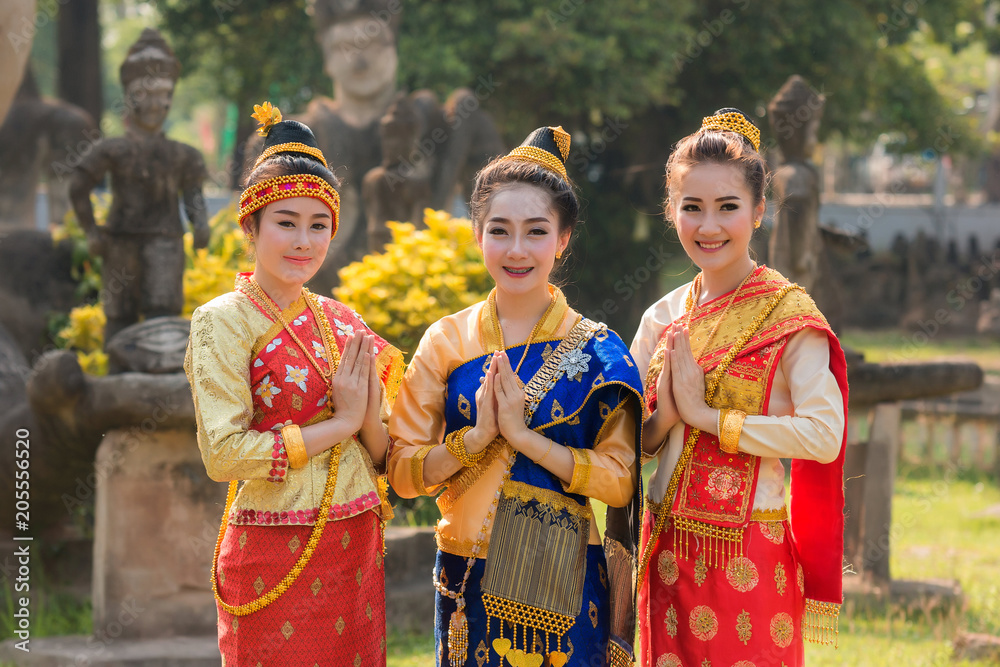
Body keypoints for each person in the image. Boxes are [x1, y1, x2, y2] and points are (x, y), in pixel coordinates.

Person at [387, 127, 644, 667]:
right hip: (464, 573)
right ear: (478, 233)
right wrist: (476, 438)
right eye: (500, 231)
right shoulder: (447, 342)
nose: (518, 250)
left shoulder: (599, 351)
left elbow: (621, 482)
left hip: (563, 576)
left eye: (536, 231)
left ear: (564, 238)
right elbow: (404, 473)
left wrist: (525, 439)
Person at [184, 102, 404, 665]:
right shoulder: (222, 321)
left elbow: (382, 452)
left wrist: (368, 425)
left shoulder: (343, 320)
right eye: (286, 222)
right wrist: (342, 423)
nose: (303, 241)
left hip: (355, 542)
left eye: (319, 225)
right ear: (250, 225)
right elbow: (224, 454)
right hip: (268, 551)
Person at [631, 109, 848, 666]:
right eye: (692, 208)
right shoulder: (661, 317)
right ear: (671, 212)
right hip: (665, 551)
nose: (709, 227)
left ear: (758, 212)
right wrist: (667, 419)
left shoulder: (789, 316)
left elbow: (824, 435)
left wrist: (709, 418)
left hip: (749, 556)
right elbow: (629, 439)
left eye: (728, 207)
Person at [70, 28, 209, 345]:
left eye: (163, 94)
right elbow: (78, 185)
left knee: (164, 315)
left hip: (165, 243)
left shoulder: (183, 155)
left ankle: (159, 381)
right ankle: (118, 381)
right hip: (120, 243)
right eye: (145, 93)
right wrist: (92, 232)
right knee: (120, 316)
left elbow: (193, 194)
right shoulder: (112, 150)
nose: (156, 104)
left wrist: (200, 224)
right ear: (129, 96)